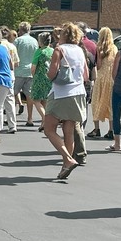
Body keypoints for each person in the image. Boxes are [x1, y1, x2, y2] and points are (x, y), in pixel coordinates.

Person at [43, 22, 88, 180]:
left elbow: (51, 73)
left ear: (63, 35)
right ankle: (65, 166)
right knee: (69, 131)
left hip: (61, 93)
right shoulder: (80, 51)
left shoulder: (59, 50)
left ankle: (68, 159)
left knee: (49, 128)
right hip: (78, 92)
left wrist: (49, 70)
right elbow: (86, 76)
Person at [87, 27, 116, 139]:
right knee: (110, 104)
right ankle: (111, 130)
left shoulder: (99, 48)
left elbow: (98, 65)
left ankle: (96, 129)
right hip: (111, 78)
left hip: (101, 77)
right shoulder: (114, 48)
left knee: (96, 102)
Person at [14, 21, 38, 125]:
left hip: (19, 70)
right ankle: (30, 118)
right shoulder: (34, 41)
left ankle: (12, 117)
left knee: (12, 94)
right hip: (30, 70)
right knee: (29, 96)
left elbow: (14, 55)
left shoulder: (18, 40)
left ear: (21, 30)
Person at [29, 31, 53, 131]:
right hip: (49, 77)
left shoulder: (39, 52)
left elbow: (33, 67)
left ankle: (45, 118)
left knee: (36, 99)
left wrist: (33, 75)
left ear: (40, 42)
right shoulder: (52, 50)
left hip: (39, 77)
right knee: (45, 100)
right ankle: (44, 124)